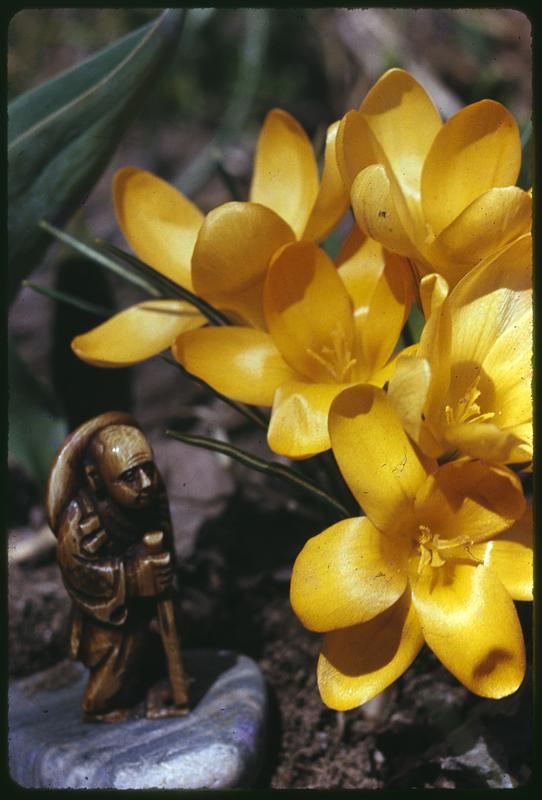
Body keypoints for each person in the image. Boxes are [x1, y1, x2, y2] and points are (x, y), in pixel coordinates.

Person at [46, 411, 188, 722]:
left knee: (161, 636)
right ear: (96, 478)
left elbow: (165, 537)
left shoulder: (153, 493)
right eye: (129, 476)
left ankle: (159, 685)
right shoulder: (80, 518)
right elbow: (79, 572)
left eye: (147, 469)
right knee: (120, 658)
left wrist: (163, 570)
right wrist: (135, 577)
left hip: (149, 605)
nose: (146, 483)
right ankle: (98, 708)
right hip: (111, 617)